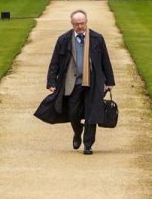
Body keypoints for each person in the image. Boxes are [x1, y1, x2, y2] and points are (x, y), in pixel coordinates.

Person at [45, 8, 115, 154]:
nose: (80, 26)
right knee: (73, 113)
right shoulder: (63, 40)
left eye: (82, 23)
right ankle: (78, 132)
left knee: (92, 113)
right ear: (72, 24)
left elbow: (105, 60)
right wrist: (51, 81)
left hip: (93, 82)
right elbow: (55, 62)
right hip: (73, 83)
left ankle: (88, 145)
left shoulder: (97, 38)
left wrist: (109, 81)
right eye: (77, 24)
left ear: (86, 22)